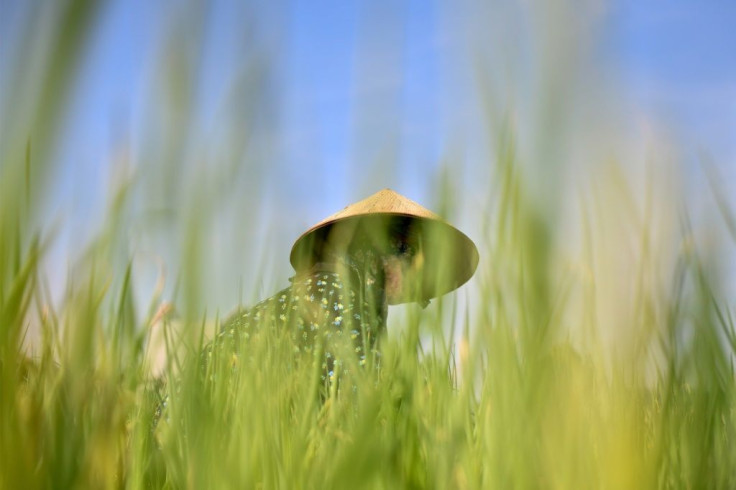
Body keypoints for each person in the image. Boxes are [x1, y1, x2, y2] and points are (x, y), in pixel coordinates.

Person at [205, 189, 479, 386]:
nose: (409, 266)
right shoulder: (341, 298)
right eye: (399, 250)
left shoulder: (330, 290)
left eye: (414, 256)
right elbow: (357, 397)